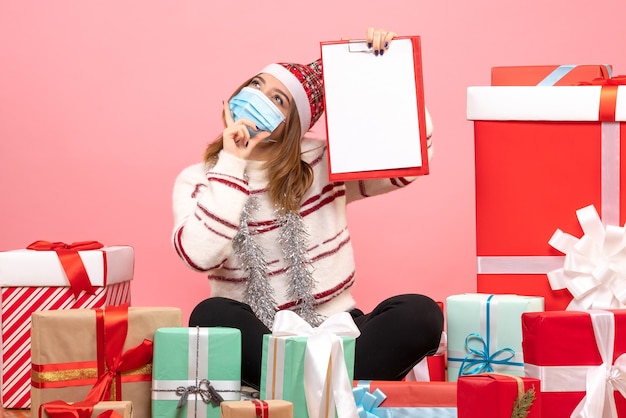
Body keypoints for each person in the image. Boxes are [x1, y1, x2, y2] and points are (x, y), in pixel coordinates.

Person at [172, 27, 443, 390]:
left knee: (421, 312)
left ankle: (296, 389)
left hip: (339, 330)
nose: (258, 98)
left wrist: (381, 70)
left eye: (278, 100)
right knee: (210, 315)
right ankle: (333, 389)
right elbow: (198, 255)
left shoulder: (321, 164)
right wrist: (234, 161)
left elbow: (412, 156)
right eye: (255, 85)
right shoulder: (201, 178)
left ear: (293, 125)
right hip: (264, 336)